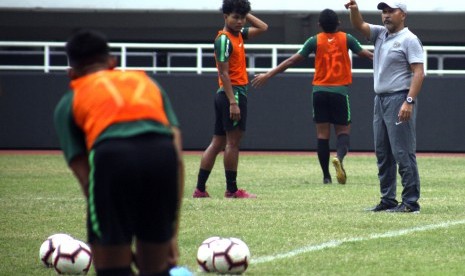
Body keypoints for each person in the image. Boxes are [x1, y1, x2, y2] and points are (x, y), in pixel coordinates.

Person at [54, 29, 184, 275]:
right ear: (113, 62)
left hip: (111, 156)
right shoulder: (146, 82)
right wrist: (170, 234)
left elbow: (86, 178)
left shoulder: (69, 101)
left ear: (71, 72)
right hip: (161, 154)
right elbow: (176, 156)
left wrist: (114, 235)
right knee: (156, 269)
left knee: (112, 269)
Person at [252, 9, 372, 185]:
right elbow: (367, 55)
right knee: (343, 132)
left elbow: (291, 60)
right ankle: (338, 157)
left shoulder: (314, 40)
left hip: (319, 91)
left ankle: (326, 177)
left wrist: (268, 75)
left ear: (319, 26)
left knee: (322, 135)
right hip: (339, 91)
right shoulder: (347, 38)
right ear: (339, 23)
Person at [346, 0, 424, 213]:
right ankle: (387, 199)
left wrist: (409, 101)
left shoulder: (409, 40)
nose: (386, 15)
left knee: (402, 151)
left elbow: (419, 72)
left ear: (403, 14)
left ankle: (410, 202)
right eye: (384, 12)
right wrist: (354, 10)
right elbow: (359, 25)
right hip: (379, 100)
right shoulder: (381, 34)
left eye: (391, 11)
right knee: (383, 152)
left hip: (399, 97)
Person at [192, 0, 268, 198]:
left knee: (217, 142)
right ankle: (232, 190)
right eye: (235, 17)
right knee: (232, 143)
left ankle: (200, 189)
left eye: (242, 17)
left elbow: (263, 27)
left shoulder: (239, 35)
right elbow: (224, 73)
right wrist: (233, 102)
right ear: (225, 16)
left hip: (227, 94)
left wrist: (245, 11)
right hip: (231, 93)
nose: (240, 21)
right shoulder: (224, 39)